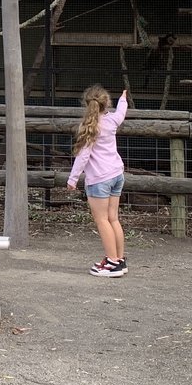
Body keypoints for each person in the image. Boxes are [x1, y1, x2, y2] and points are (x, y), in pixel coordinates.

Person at [66, 84, 130, 277]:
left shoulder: (90, 127)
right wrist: (123, 98)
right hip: (116, 174)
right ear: (105, 103)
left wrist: (73, 178)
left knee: (102, 220)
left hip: (99, 179)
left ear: (87, 104)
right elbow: (121, 112)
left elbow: (83, 156)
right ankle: (119, 259)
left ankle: (111, 263)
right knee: (113, 218)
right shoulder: (112, 121)